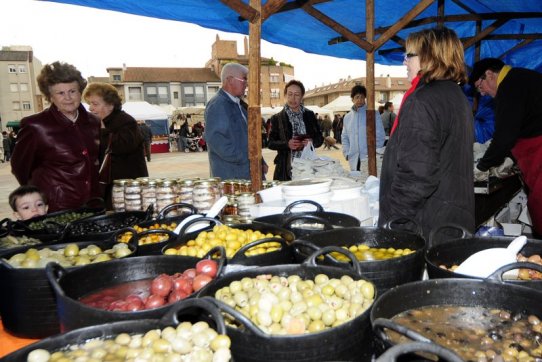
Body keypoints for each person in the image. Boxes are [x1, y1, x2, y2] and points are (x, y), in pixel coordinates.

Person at [378, 27, 475, 241]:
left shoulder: (423, 100)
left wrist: (389, 224)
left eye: (409, 56)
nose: (405, 62)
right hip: (450, 221)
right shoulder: (455, 95)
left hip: (425, 227)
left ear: (428, 58)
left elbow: (416, 176)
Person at [11, 61, 101, 213]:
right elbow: (20, 168)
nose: (68, 97)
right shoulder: (35, 126)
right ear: (50, 96)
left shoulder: (94, 122)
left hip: (94, 204)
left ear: (80, 93)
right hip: (56, 208)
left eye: (72, 91)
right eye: (60, 93)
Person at [470, 58, 542, 235]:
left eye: (481, 87)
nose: (484, 94)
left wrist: (482, 166)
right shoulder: (523, 77)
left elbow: (504, 138)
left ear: (489, 74)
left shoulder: (509, 87)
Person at [84, 82, 148, 207]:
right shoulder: (98, 123)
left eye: (95, 104)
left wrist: (102, 131)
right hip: (107, 188)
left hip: (127, 190)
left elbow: (122, 147)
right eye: (90, 103)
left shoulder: (126, 122)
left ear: (110, 105)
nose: (91, 108)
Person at [267, 80, 324, 181]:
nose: (293, 98)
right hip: (285, 170)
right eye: (290, 94)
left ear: (302, 97)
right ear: (285, 95)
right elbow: (270, 143)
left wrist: (312, 142)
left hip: (308, 168)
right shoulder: (277, 118)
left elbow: (320, 138)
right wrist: (286, 144)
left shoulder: (310, 115)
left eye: (297, 95)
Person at [204, 62, 252, 179]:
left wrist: (260, 161)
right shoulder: (218, 105)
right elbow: (217, 141)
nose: (247, 84)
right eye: (244, 79)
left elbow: (249, 138)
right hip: (232, 177)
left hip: (244, 172)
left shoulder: (239, 105)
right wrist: (246, 158)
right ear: (230, 80)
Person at [341, 85, 386, 171]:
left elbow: (380, 135)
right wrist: (347, 153)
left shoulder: (373, 114)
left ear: (365, 98)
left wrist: (374, 153)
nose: (359, 100)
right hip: (353, 158)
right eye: (357, 97)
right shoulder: (347, 117)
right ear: (352, 99)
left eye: (362, 97)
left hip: (369, 158)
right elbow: (345, 137)